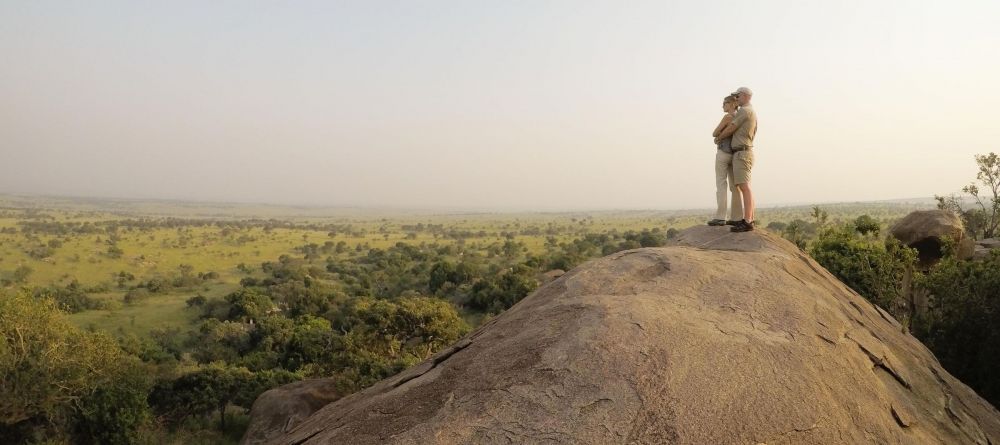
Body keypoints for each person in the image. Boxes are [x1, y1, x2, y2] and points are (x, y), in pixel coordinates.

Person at [714, 86, 757, 232]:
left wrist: (719, 137)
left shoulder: (745, 111)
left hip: (742, 152)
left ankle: (748, 221)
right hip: (743, 151)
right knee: (743, 187)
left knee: (744, 187)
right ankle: (747, 219)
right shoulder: (749, 112)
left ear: (745, 96)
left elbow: (731, 128)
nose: (736, 99)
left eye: (737, 96)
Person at [707, 94, 743, 226]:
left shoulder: (728, 117)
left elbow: (715, 133)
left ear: (731, 104)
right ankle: (737, 217)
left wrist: (719, 136)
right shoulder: (740, 117)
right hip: (734, 154)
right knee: (735, 187)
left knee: (721, 184)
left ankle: (721, 216)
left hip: (723, 153)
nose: (723, 106)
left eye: (724, 103)